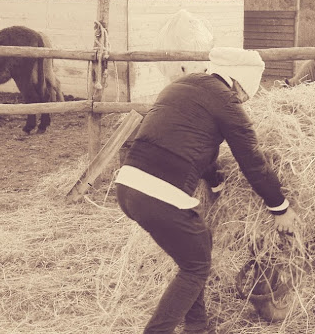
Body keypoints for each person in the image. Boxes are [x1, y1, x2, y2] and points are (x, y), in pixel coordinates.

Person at [115, 46, 299, 334]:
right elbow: (252, 160)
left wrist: (215, 182)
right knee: (195, 267)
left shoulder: (182, 86)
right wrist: (280, 206)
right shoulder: (225, 100)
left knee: (197, 251)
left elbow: (189, 141)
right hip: (160, 193)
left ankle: (198, 327)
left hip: (128, 185)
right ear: (239, 81)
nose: (244, 100)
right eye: (246, 94)